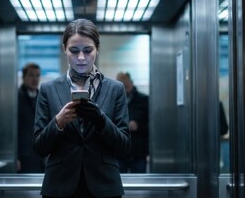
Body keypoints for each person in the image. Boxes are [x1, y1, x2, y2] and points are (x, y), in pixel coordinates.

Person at [33, 18, 131, 198]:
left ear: (97, 49)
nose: (80, 57)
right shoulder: (48, 89)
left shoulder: (115, 89)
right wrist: (58, 122)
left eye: (87, 51)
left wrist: (101, 120)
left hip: (104, 186)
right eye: (74, 50)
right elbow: (39, 147)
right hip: (59, 186)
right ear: (64, 49)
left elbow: (124, 147)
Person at [116, 72, 149, 173]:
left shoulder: (143, 100)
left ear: (131, 83)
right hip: (120, 151)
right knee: (120, 184)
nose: (125, 90)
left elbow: (152, 126)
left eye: (127, 86)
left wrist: (138, 126)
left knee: (140, 184)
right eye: (123, 87)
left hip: (138, 152)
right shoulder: (115, 100)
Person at [17, 62, 46, 173]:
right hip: (24, 154)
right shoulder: (17, 98)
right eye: (31, 75)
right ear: (24, 77)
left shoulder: (42, 97)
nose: (35, 79)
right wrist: (16, 156)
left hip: (40, 154)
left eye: (37, 75)